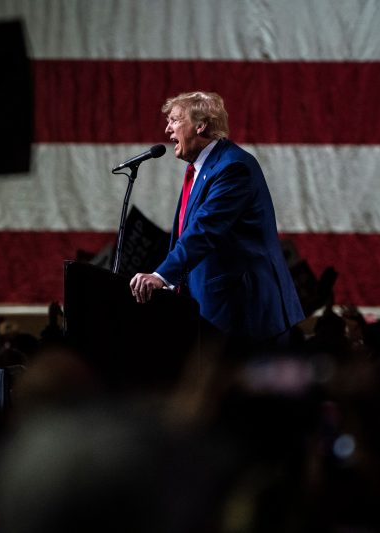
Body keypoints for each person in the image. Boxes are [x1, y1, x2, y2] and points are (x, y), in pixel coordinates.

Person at [129, 91, 304, 347]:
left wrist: (163, 275)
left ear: (200, 125)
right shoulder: (200, 169)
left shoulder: (233, 167)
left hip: (247, 315)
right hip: (217, 312)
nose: (167, 129)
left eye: (175, 120)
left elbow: (205, 229)